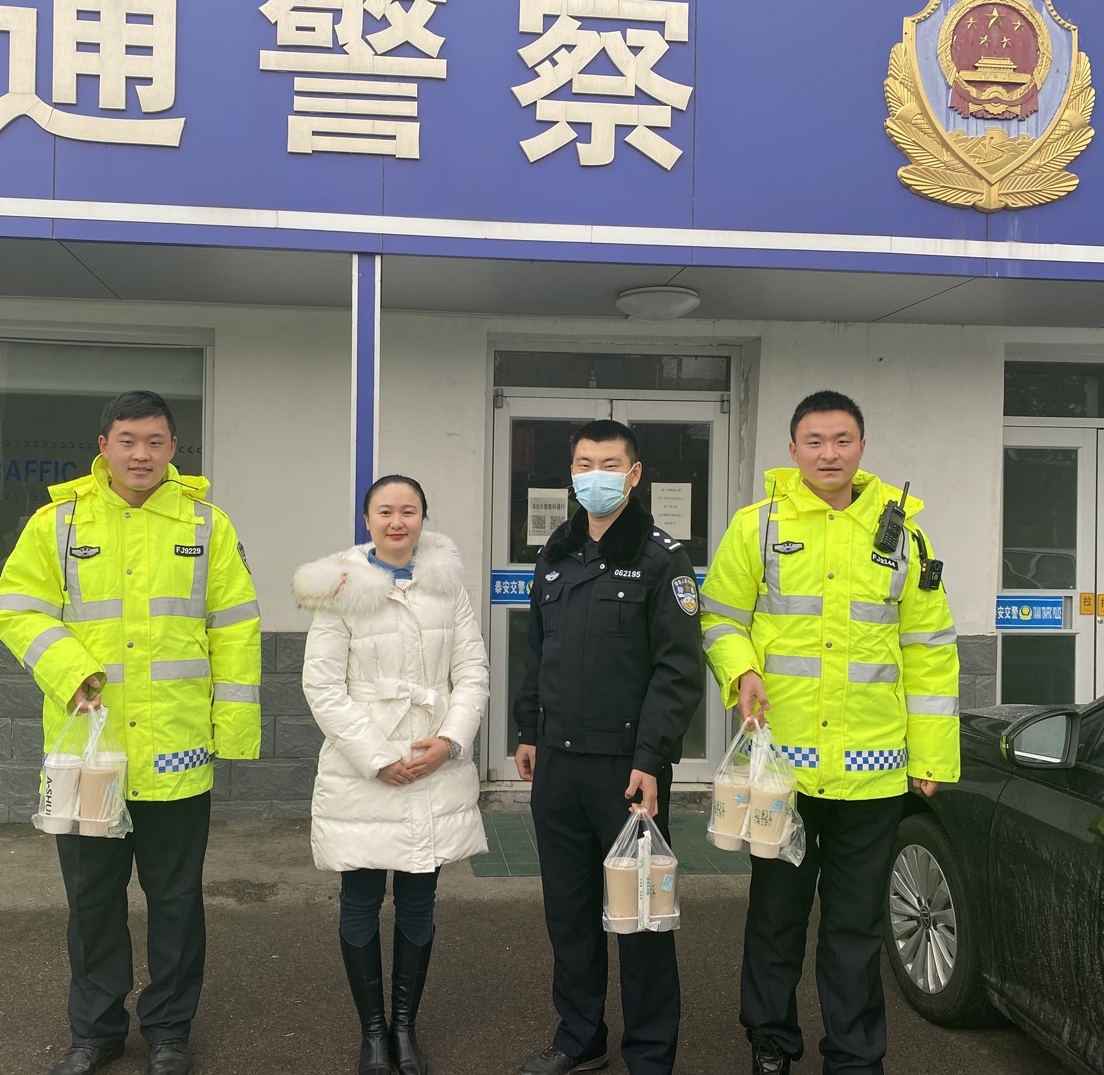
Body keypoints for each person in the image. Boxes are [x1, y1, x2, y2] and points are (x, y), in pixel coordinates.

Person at [0, 390, 261, 1075]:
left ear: (174, 448)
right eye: (128, 440)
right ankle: (96, 1032)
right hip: (89, 753)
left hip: (177, 752)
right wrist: (72, 668)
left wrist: (232, 730)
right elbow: (17, 610)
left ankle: (169, 1032)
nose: (141, 454)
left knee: (176, 901)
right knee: (91, 902)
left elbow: (235, 628)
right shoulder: (59, 522)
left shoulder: (206, 525)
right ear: (104, 445)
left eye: (155, 441)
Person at [699, 390, 960, 1075]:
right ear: (793, 449)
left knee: (855, 926)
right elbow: (719, 615)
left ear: (862, 447)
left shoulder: (903, 534)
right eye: (814, 441)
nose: (829, 453)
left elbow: (930, 649)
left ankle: (855, 1055)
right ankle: (771, 1042)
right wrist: (741, 671)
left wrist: (932, 756)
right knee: (775, 916)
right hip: (779, 771)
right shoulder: (758, 525)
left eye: (842, 440)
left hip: (872, 775)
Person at [513, 420, 705, 1075]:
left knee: (641, 917)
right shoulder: (556, 551)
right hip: (557, 765)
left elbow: (677, 670)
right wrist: (527, 729)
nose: (595, 475)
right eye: (584, 463)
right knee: (569, 913)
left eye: (610, 464)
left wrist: (651, 757)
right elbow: (537, 648)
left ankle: (649, 1053)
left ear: (634, 474)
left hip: (628, 774)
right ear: (571, 473)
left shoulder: (661, 559)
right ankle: (580, 1037)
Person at [292, 475, 489, 1075]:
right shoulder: (341, 588)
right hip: (363, 771)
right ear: (367, 519)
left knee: (418, 901)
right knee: (359, 899)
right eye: (385, 511)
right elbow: (322, 685)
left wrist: (450, 741)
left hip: (433, 765)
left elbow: (472, 671)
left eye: (409, 511)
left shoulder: (446, 585)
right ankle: (373, 1033)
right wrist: (377, 758)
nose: (397, 522)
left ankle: (405, 1028)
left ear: (424, 517)